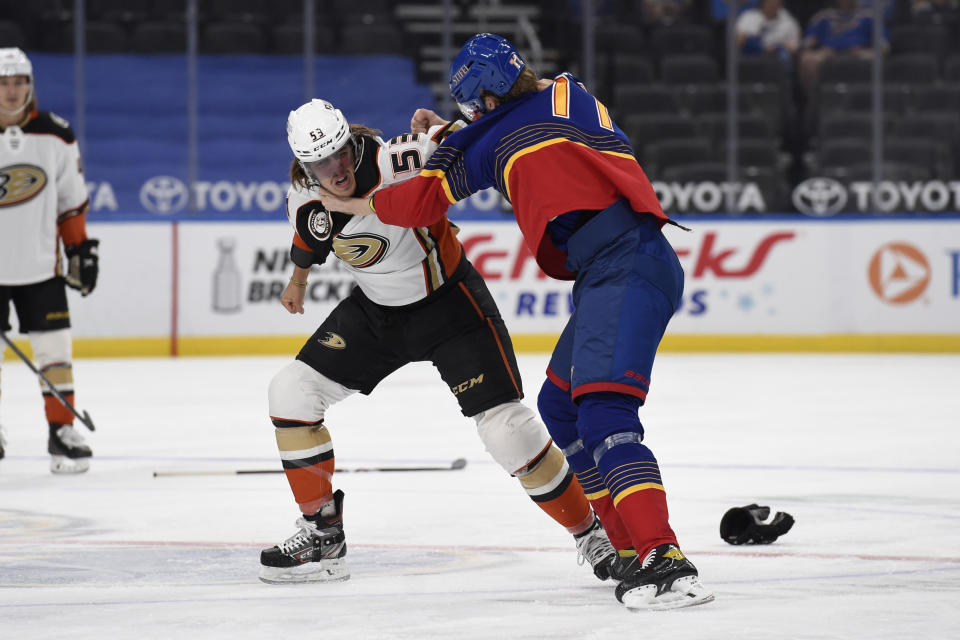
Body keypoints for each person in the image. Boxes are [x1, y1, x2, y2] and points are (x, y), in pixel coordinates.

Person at [312, 34, 714, 611]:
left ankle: (664, 558)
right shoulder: (566, 93)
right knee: (560, 407)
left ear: (486, 102)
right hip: (627, 261)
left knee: (604, 409)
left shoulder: (494, 135)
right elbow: (510, 127)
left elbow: (423, 201)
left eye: (473, 108)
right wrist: (452, 132)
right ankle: (627, 549)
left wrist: (361, 205)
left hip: (622, 265)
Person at [259, 98, 618, 584]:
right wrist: (297, 282)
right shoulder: (302, 196)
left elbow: (476, 135)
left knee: (508, 431)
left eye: (341, 153)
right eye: (321, 163)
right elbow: (309, 238)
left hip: (450, 305)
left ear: (351, 139)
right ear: (303, 165)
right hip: (376, 311)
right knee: (290, 393)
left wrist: (453, 127)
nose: (336, 169)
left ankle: (593, 535)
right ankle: (323, 534)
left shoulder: (403, 160)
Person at [0, 48, 98, 474]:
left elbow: (70, 202)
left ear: (30, 85)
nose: (11, 90)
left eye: (18, 81)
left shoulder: (56, 134)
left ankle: (61, 432)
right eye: (3, 83)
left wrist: (80, 249)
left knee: (55, 352)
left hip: (42, 267)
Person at [736, 0, 801, 68]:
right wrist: (761, 47)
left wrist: (778, 48)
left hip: (778, 58)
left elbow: (795, 47)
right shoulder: (749, 17)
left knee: (784, 55)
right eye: (769, 2)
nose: (772, 5)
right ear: (763, 3)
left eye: (776, 2)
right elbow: (739, 41)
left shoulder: (788, 20)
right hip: (753, 57)